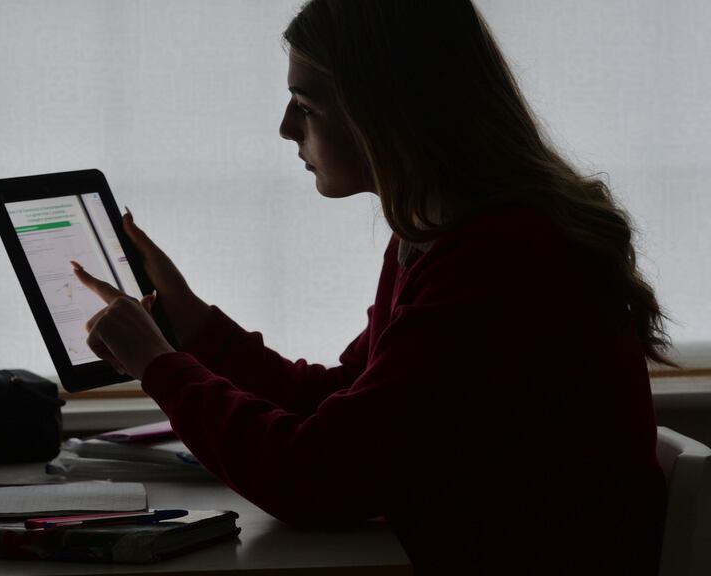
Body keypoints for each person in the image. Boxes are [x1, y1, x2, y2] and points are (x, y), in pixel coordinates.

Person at [70, 0, 670, 573]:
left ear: (385, 110)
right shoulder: (441, 235)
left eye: (305, 105)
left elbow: (317, 475)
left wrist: (159, 364)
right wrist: (195, 325)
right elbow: (344, 402)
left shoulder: (505, 262)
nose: (285, 128)